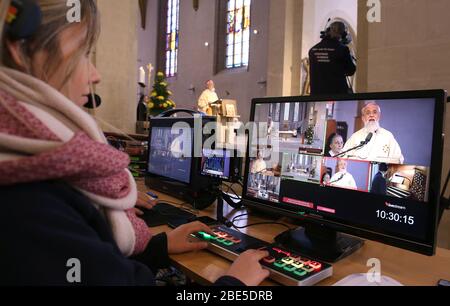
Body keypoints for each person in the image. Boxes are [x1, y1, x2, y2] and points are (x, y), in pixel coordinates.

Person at [0, 0, 269, 286]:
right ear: (21, 51)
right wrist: (235, 286)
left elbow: (101, 271)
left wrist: (158, 248)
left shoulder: (29, 172)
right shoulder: (32, 202)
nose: (95, 75)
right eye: (83, 54)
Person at [309, 21, 356, 95]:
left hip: (316, 94)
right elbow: (351, 70)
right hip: (337, 94)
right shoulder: (342, 49)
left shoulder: (312, 50)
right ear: (343, 34)